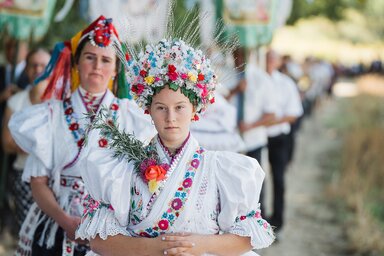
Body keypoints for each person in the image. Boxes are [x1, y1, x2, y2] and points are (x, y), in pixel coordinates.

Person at [77, 38, 275, 256]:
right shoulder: (123, 169)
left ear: (195, 110)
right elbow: (98, 241)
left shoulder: (219, 168)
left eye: (179, 107)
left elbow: (246, 240)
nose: (170, 118)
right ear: (148, 111)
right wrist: (153, 248)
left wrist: (201, 244)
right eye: (161, 108)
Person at [8, 16, 155, 256]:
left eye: (106, 60)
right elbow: (38, 181)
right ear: (76, 63)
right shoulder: (50, 115)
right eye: (90, 57)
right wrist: (66, 221)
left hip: (113, 231)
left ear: (116, 69)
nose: (97, 66)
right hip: (58, 227)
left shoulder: (131, 117)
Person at [1, 47, 51, 234]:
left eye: (43, 65)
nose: (38, 69)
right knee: (28, 232)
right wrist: (44, 146)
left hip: (55, 179)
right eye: (33, 65)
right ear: (27, 69)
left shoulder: (62, 102)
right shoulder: (16, 101)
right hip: (24, 177)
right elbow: (7, 144)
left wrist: (26, 143)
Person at [265, 49, 303, 234]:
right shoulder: (256, 81)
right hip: (256, 138)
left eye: (273, 58)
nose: (270, 61)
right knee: (257, 179)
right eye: (267, 58)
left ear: (279, 62)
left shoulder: (286, 84)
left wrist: (273, 121)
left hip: (279, 137)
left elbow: (293, 114)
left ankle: (278, 222)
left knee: (278, 179)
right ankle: (260, 218)